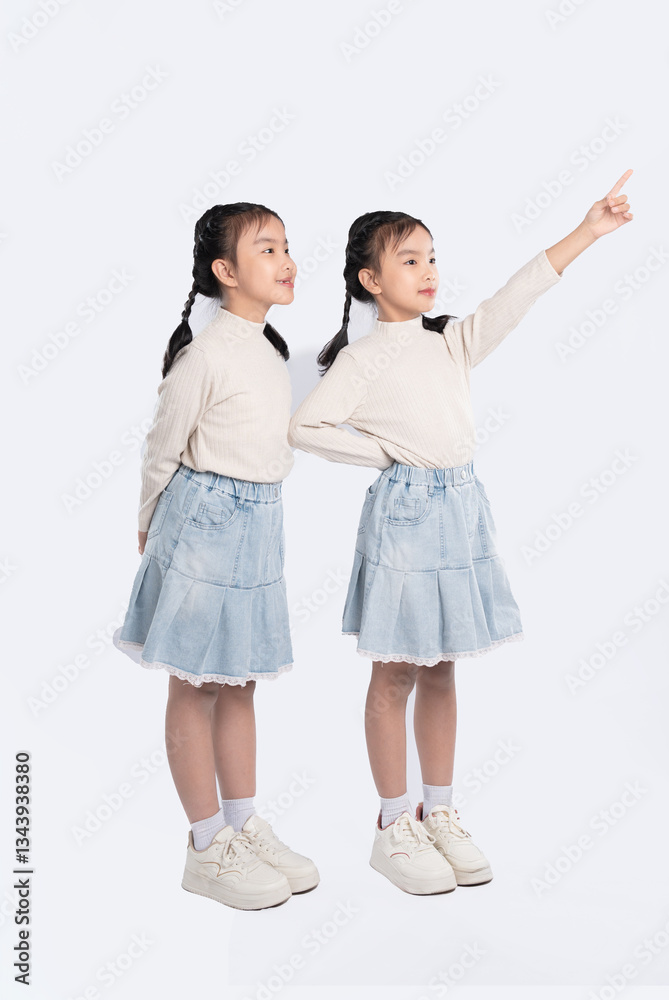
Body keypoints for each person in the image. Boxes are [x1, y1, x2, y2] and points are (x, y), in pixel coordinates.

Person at [287, 171, 634, 894]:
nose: (428, 272)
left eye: (432, 257)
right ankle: (392, 823)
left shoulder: (449, 343)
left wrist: (588, 230)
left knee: (443, 665)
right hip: (407, 518)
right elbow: (306, 425)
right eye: (409, 260)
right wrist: (386, 454)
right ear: (369, 279)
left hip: (460, 510)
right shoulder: (362, 358)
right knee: (396, 670)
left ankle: (437, 809)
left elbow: (517, 295)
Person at [112, 202, 319, 910]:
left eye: (287, 246)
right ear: (225, 272)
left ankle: (240, 823)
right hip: (203, 521)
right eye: (267, 249)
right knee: (196, 682)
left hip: (260, 524)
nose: (286, 259)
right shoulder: (206, 354)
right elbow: (161, 446)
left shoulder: (268, 350)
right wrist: (149, 524)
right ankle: (206, 844)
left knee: (240, 680)